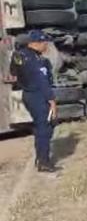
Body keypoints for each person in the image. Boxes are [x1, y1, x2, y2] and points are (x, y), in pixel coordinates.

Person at [9, 30, 58, 172]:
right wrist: (52, 100)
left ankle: (40, 158)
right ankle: (44, 161)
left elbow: (13, 73)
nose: (46, 46)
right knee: (45, 127)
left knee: (40, 127)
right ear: (37, 43)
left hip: (28, 94)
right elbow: (42, 81)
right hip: (39, 96)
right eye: (45, 43)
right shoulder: (37, 60)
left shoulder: (19, 55)